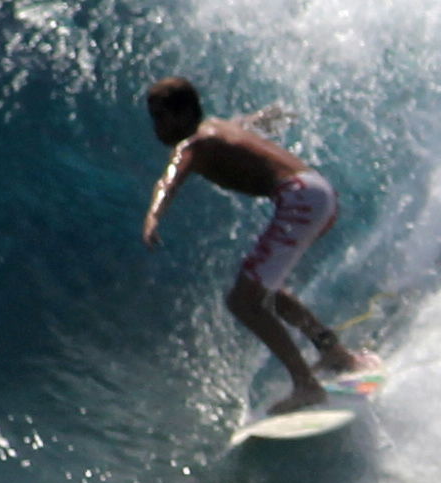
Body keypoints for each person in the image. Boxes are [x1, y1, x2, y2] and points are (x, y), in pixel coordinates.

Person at [137, 76, 371, 413]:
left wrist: (153, 217)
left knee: (243, 301)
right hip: (317, 190)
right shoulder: (216, 128)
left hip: (299, 199)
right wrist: (264, 118)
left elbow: (168, 180)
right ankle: (335, 353)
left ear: (184, 113)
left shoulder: (192, 144)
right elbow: (244, 125)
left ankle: (307, 385)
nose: (156, 126)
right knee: (264, 290)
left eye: (160, 116)